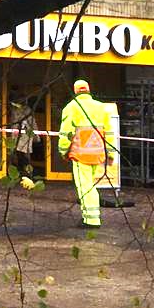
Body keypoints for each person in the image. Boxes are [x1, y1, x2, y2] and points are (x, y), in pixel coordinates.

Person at [57, 79, 115, 228]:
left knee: (85, 187)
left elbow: (66, 134)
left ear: (75, 91)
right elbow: (109, 133)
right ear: (88, 90)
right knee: (90, 185)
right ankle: (89, 216)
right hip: (97, 154)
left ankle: (91, 219)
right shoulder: (101, 108)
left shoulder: (71, 108)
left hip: (80, 154)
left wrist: (63, 151)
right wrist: (111, 154)